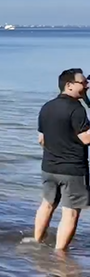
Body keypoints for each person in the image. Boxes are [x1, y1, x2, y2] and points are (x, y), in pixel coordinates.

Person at [34, 68, 90, 251]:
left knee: (47, 204)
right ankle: (60, 256)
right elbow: (86, 139)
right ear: (69, 85)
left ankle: (37, 241)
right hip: (72, 170)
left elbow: (41, 139)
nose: (87, 86)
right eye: (83, 83)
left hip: (49, 167)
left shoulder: (47, 106)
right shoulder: (77, 109)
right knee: (71, 213)